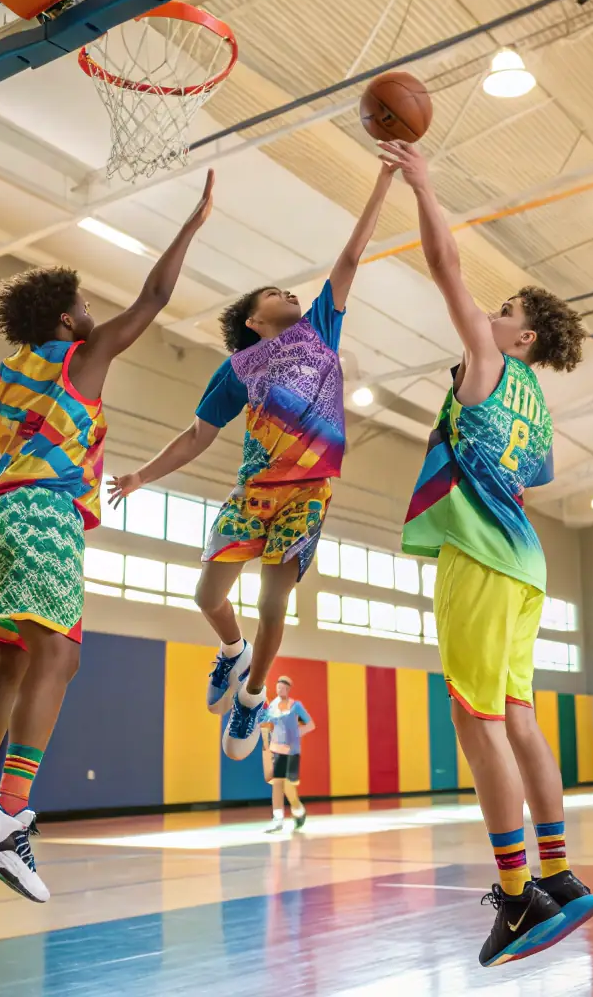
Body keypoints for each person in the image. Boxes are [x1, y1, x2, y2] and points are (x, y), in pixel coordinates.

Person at [0, 172, 215, 903]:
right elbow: (152, 300)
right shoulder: (82, 360)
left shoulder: (4, 374)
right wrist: (193, 222)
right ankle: (10, 815)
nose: (93, 314)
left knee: (15, 663)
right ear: (64, 320)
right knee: (59, 656)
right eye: (84, 305)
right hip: (44, 516)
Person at [380, 139, 593, 967]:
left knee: (475, 720)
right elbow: (533, 476)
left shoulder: (489, 360)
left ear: (524, 334)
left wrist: (424, 184)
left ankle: (517, 898)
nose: (492, 314)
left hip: (478, 555)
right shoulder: (535, 403)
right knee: (516, 716)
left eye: (506, 311)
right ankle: (561, 874)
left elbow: (444, 264)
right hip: (526, 562)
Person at [107, 161, 395, 761]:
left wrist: (385, 180)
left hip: (309, 491)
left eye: (292, 290)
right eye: (275, 294)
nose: (291, 293)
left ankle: (251, 698)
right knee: (206, 596)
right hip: (253, 492)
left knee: (273, 602)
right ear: (253, 321)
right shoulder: (236, 370)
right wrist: (140, 476)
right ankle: (233, 652)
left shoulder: (318, 330)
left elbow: (350, 255)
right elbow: (195, 436)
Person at [260, 675, 313, 832]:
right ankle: (278, 818)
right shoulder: (272, 707)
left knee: (287, 785)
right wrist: (266, 746)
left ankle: (298, 810)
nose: (280, 689)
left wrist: (295, 734)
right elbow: (265, 725)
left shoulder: (296, 706)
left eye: (283, 687)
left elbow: (310, 724)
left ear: (288, 689)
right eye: (278, 686)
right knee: (277, 782)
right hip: (277, 750)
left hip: (292, 751)